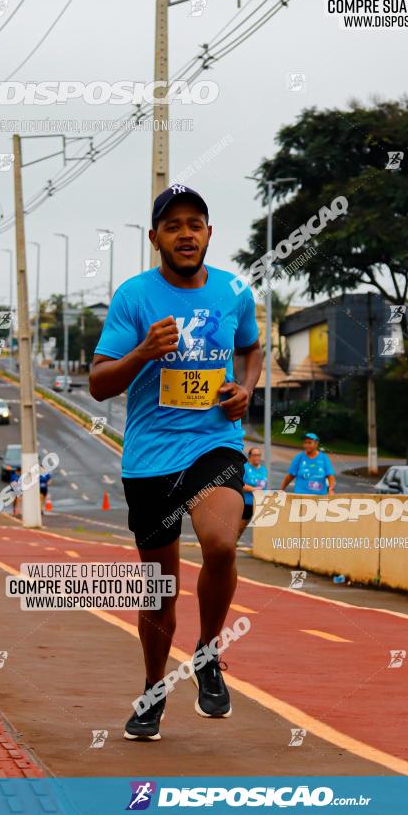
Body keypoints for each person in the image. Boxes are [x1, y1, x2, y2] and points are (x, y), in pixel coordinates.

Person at [89, 184, 262, 742]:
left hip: (214, 443)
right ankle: (153, 689)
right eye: (173, 225)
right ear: (156, 238)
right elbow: (97, 385)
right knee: (159, 590)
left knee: (221, 543)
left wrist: (247, 390)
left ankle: (209, 652)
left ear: (209, 234)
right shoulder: (134, 297)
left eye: (196, 224)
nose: (186, 233)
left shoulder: (235, 290)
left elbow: (253, 349)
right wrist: (142, 352)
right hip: (151, 457)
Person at [239, 447, 268, 537]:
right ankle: (232, 542)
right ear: (249, 457)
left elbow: (264, 485)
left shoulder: (263, 469)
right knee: (241, 525)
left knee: (261, 526)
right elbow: (240, 484)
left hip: (259, 503)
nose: (257, 457)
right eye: (254, 455)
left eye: (258, 455)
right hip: (247, 502)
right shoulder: (245, 468)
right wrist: (253, 489)